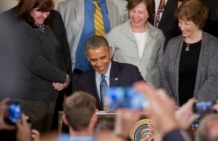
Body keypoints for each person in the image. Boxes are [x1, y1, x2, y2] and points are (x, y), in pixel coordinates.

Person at [0, 0, 71, 134]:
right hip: (32, 100)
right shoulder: (21, 28)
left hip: (48, 97)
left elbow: (58, 54)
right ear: (28, 9)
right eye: (40, 11)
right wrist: (63, 77)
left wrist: (62, 82)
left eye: (47, 11)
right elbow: (36, 62)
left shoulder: (41, 25)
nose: (45, 15)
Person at [160, 0, 218, 105]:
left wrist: (194, 104)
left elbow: (214, 78)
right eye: (180, 22)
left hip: (204, 107)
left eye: (186, 24)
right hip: (176, 108)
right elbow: (164, 75)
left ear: (198, 22)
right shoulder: (172, 44)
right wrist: (171, 101)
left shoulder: (212, 44)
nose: (182, 27)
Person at [73, 36, 143, 110]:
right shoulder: (82, 80)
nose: (99, 64)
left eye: (103, 58)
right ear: (87, 57)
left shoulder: (129, 72)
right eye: (94, 60)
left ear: (110, 51)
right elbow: (78, 109)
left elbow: (145, 99)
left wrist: (118, 104)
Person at [106, 0, 165, 88]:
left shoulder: (158, 35)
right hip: (124, 91)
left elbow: (161, 66)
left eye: (140, 12)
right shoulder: (115, 34)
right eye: (133, 11)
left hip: (151, 91)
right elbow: (105, 63)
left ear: (149, 13)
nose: (135, 16)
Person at [58, 0, 128, 72]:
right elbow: (59, 44)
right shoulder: (65, 7)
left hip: (114, 72)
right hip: (79, 71)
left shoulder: (122, 6)